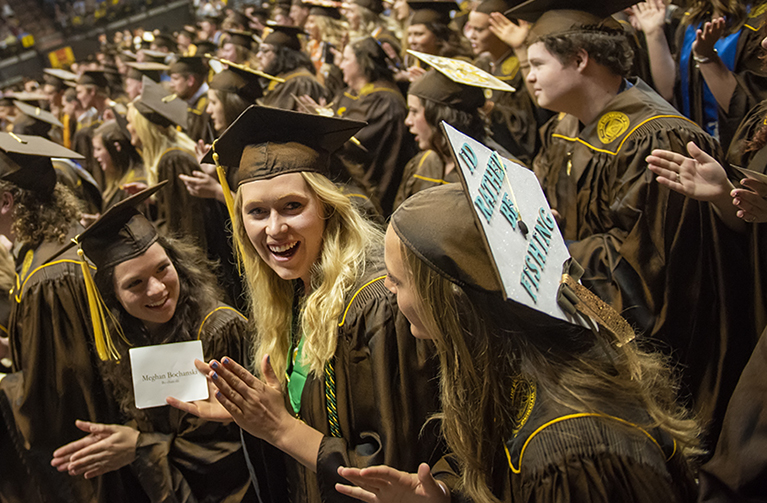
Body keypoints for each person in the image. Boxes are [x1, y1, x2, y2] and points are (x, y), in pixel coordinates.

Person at [336, 181, 701, 502]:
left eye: (398, 281)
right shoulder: (516, 356)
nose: (386, 285)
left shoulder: (577, 455)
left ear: (454, 304)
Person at [510, 0, 756, 447]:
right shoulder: (565, 127)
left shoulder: (658, 137)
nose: (527, 75)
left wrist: (550, 249)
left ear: (580, 59)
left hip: (658, 357)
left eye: (537, 63)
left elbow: (650, 268)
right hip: (584, 322)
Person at [168, 105, 443, 503]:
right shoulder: (298, 289)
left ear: (327, 206)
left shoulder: (374, 304)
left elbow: (395, 472)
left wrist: (279, 426)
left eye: (292, 207)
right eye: (257, 212)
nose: (274, 228)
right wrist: (250, 410)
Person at [49, 185, 256, 503]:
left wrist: (139, 446)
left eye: (163, 269)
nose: (158, 289)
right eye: (135, 283)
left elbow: (237, 450)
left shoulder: (219, 331)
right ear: (112, 296)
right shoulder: (130, 338)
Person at [0, 134, 133, 503]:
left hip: (93, 451)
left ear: (6, 202)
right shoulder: (45, 251)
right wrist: (17, 346)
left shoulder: (51, 277)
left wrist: (7, 386)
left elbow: (63, 390)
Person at [127, 76, 238, 307]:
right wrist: (156, 197)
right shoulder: (172, 153)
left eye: (130, 122)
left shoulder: (172, 160)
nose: (128, 128)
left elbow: (185, 226)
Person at [394, 54, 510, 208]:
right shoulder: (422, 163)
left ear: (439, 117)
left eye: (415, 112)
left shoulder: (497, 173)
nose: (408, 121)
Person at [331, 36, 416, 215]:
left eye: (346, 59)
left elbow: (358, 145)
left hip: (375, 191)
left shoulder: (386, 101)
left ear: (362, 64)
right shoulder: (353, 93)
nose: (341, 65)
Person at [466, 0, 539, 164]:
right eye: (470, 28)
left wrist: (493, 111)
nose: (471, 36)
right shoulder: (481, 65)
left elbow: (530, 125)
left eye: (479, 30)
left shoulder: (522, 71)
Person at [258, 24, 329, 110]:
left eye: (265, 51)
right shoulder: (284, 78)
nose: (258, 56)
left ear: (283, 54)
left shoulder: (300, 82)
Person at [92, 119, 146, 210]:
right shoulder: (118, 179)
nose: (95, 155)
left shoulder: (134, 184)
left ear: (116, 148)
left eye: (98, 149)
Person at [168, 56, 214, 144]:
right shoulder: (190, 100)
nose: (171, 84)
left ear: (190, 80)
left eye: (175, 79)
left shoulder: (206, 107)